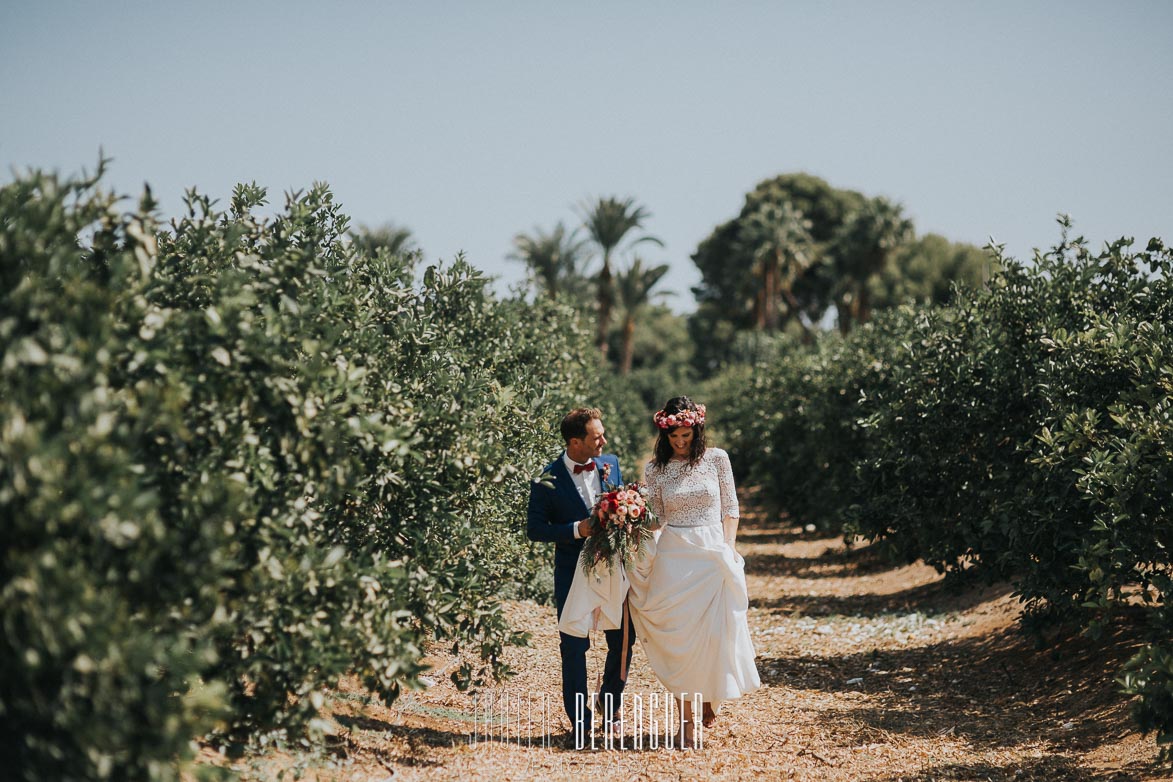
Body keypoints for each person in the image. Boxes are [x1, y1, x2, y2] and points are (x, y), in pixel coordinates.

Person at [627, 395, 761, 748]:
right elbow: (656, 519)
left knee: (716, 636)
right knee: (681, 641)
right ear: (664, 434)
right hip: (675, 555)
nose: (681, 443)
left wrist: (727, 547)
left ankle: (709, 696)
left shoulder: (717, 459)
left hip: (712, 551)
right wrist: (630, 522)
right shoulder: (655, 469)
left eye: (686, 436)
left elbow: (731, 507)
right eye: (674, 438)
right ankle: (686, 724)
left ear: (697, 430)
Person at [526, 407, 635, 742]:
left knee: (623, 640)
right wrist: (577, 529)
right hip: (572, 572)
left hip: (614, 568)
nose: (604, 440)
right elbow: (535, 529)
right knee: (573, 646)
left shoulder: (610, 464)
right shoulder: (546, 479)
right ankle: (581, 722)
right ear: (575, 442)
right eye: (596, 436)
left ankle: (610, 702)